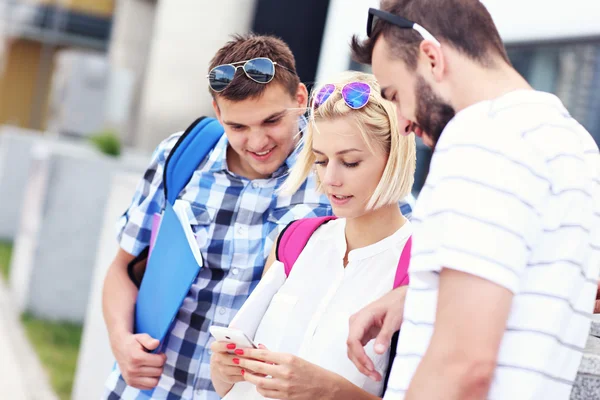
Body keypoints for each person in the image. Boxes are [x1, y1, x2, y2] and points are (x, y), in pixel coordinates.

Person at [347, 1, 600, 399]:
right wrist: (421, 298)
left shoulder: (482, 135)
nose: (401, 123)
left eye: (394, 96)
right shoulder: (575, 145)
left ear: (431, 57)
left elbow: (463, 365)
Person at [101, 34, 337, 400]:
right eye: (238, 127)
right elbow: (122, 270)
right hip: (150, 391)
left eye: (272, 120)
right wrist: (120, 341)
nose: (257, 142)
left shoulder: (337, 170)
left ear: (301, 99)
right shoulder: (179, 156)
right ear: (217, 112)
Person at [209, 71, 416, 400]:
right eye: (320, 160)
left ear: (393, 159)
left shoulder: (420, 265)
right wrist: (223, 371)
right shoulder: (294, 240)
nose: (330, 179)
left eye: (349, 162)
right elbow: (235, 388)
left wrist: (329, 391)